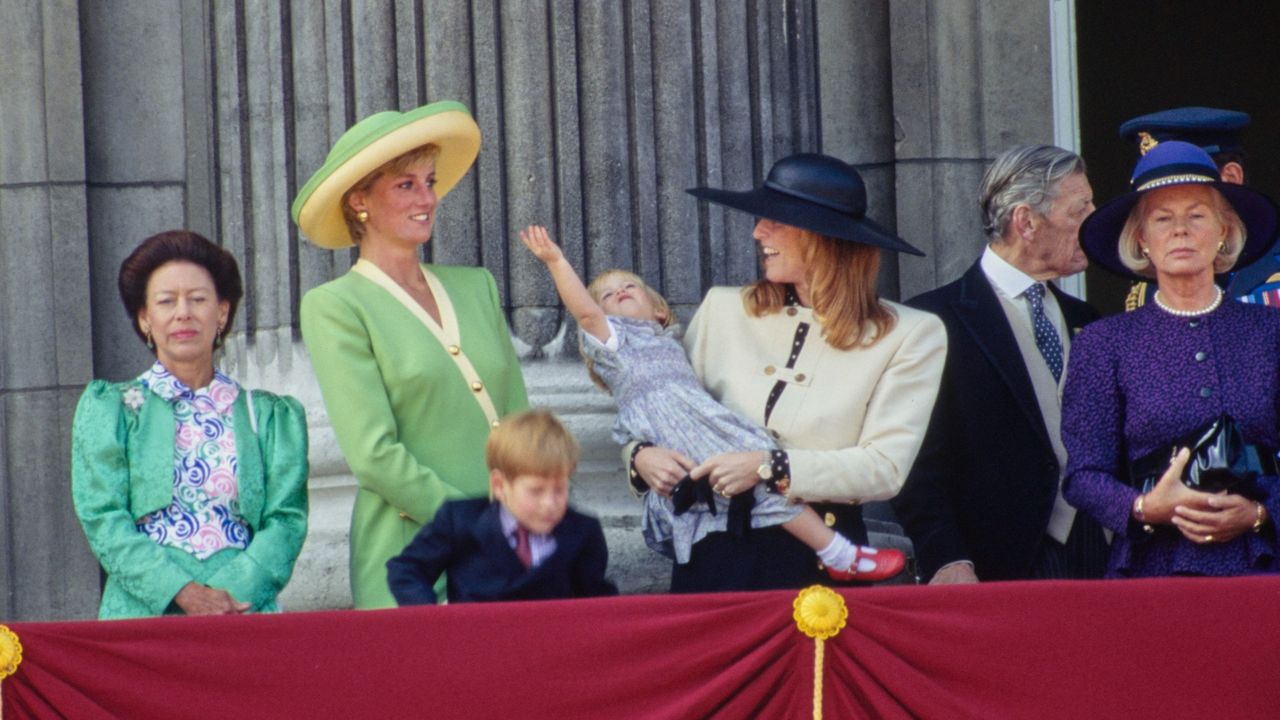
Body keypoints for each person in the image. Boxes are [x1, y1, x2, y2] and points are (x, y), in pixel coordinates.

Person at [630, 153, 946, 592]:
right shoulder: (722, 309)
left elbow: (884, 468)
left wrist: (768, 467)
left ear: (823, 237)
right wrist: (640, 455)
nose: (759, 232)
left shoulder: (912, 334)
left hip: (818, 567)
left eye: (776, 221)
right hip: (713, 559)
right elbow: (660, 403)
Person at [519, 224, 905, 581]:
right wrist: (638, 456)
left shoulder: (670, 342)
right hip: (706, 506)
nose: (618, 293)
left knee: (767, 472)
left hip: (732, 449)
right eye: (606, 296)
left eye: (630, 287)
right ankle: (840, 553)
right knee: (763, 480)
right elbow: (586, 316)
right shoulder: (621, 341)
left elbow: (886, 466)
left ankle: (838, 552)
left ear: (659, 309)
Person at [293, 101, 529, 609]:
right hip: (414, 562)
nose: (428, 197)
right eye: (407, 185)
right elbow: (374, 455)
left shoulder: (476, 286)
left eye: (430, 181)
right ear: (360, 202)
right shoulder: (335, 306)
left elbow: (522, 423)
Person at [892, 145, 1110, 583]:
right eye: (1080, 209)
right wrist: (946, 557)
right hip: (997, 565)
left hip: (1099, 553)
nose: (1095, 218)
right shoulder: (933, 321)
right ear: (1026, 221)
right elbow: (916, 461)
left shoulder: (1088, 321)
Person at [1064, 140, 1280, 577]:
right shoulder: (1105, 343)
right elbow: (1083, 475)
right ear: (1142, 239)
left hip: (1262, 568)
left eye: (1197, 215)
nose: (1180, 230)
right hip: (1152, 570)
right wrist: (1145, 506)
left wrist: (1259, 512)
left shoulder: (1269, 332)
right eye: (1163, 219)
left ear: (1224, 230)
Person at [71, 230, 309, 619]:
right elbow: (103, 517)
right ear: (145, 318)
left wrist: (229, 592)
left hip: (242, 612)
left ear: (222, 312)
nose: (183, 313)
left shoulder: (267, 416)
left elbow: (286, 520)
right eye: (166, 301)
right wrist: (181, 591)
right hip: (143, 614)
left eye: (198, 299)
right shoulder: (113, 409)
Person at [386, 409, 617, 604]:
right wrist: (434, 620)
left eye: (559, 489)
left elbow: (595, 602)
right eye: (536, 490)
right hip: (477, 649)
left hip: (550, 649)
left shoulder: (583, 531)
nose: (549, 503)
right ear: (499, 485)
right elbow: (406, 570)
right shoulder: (458, 521)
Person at [1116, 107, 1280, 307]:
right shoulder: (1157, 272)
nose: (1178, 228)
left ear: (1231, 178)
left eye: (1188, 187)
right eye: (1162, 215)